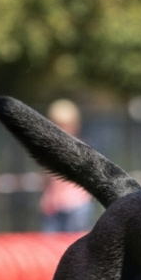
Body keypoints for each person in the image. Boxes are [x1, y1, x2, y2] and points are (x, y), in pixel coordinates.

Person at [39, 99, 96, 233]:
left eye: (65, 125)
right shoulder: (46, 149)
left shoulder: (82, 149)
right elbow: (47, 179)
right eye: (56, 125)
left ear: (74, 125)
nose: (61, 129)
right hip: (53, 207)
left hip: (76, 206)